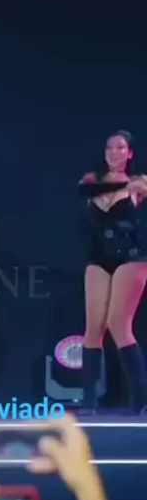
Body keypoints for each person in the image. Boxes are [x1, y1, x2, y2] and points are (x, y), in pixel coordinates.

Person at [78, 130, 147, 414]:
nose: (113, 153)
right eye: (109, 147)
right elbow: (83, 190)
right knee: (93, 328)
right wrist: (118, 184)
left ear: (130, 153)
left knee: (119, 324)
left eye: (120, 148)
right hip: (99, 257)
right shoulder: (91, 180)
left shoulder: (139, 183)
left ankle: (141, 399)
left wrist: (133, 186)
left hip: (131, 257)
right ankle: (88, 400)